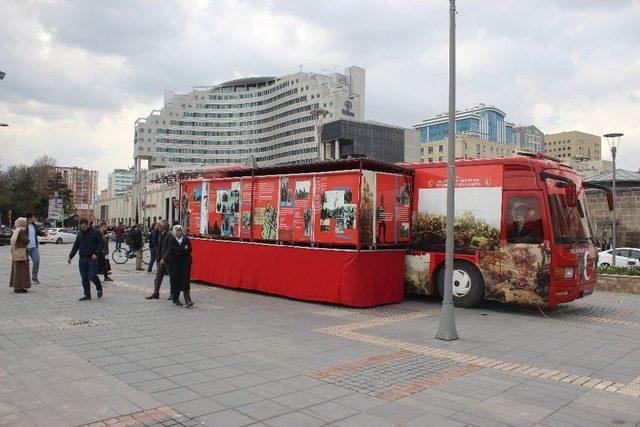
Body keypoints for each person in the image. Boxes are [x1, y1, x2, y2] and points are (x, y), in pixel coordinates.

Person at [68, 218, 104, 301]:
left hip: (92, 258)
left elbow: (101, 243)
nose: (83, 228)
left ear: (88, 225)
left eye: (84, 227)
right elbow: (76, 245)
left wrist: (96, 253)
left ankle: (99, 288)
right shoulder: (80, 234)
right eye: (81, 227)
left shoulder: (96, 232)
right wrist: (70, 256)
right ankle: (87, 295)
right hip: (82, 258)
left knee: (92, 275)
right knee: (84, 277)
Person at [163, 225, 193, 307]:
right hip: (174, 263)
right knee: (175, 281)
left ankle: (188, 300)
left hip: (185, 263)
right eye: (177, 231)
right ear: (174, 231)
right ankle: (175, 299)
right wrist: (183, 248)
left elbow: (190, 249)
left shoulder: (186, 238)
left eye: (180, 231)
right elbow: (172, 249)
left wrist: (180, 249)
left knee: (185, 280)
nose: (179, 232)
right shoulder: (171, 239)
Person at [146, 220, 171, 300]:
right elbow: (158, 246)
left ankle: (173, 294)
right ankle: (156, 293)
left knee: (172, 277)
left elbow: (169, 248)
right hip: (160, 259)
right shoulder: (160, 233)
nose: (157, 226)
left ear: (163, 226)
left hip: (167, 260)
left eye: (159, 225)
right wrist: (158, 258)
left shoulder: (169, 235)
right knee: (158, 277)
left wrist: (164, 258)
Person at [10, 217, 31, 293]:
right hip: (21, 253)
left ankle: (17, 287)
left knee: (16, 271)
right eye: (25, 222)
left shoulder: (16, 230)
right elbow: (27, 241)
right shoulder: (21, 231)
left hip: (16, 253)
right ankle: (19, 287)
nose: (26, 223)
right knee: (21, 271)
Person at [25, 213, 44, 284]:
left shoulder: (34, 225)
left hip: (34, 248)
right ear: (29, 218)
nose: (34, 218)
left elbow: (39, 232)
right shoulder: (24, 225)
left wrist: (44, 234)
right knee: (24, 264)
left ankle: (34, 277)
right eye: (33, 217)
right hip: (25, 248)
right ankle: (25, 278)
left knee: (36, 261)